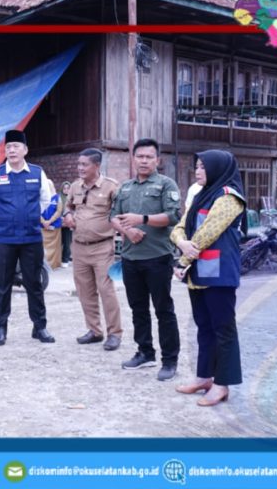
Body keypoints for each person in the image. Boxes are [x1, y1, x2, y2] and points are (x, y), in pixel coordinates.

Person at [171, 150, 246, 406]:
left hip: (219, 273)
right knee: (204, 326)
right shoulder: (200, 195)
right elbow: (179, 227)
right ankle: (204, 377)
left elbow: (208, 232)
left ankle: (222, 384)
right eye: (197, 166)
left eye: (203, 166)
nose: (198, 171)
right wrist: (181, 242)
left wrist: (183, 260)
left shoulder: (229, 197)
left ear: (218, 169)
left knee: (223, 329)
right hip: (198, 272)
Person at [110, 138, 181, 381]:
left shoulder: (165, 184)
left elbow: (173, 216)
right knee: (138, 309)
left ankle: (169, 360)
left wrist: (142, 219)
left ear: (157, 160)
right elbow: (113, 216)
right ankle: (145, 353)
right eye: (139, 156)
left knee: (163, 310)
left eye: (149, 157)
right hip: (130, 257)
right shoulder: (125, 187)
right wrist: (127, 231)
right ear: (133, 158)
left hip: (158, 257)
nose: (144, 161)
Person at [0, 129, 55, 346]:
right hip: (4, 239)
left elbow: (46, 200)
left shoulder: (37, 172)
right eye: (8, 147)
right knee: (2, 284)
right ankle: (0, 328)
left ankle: (39, 326)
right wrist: (6, 219)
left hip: (31, 238)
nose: (11, 150)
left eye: (16, 146)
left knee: (34, 284)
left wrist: (30, 217)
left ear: (25, 150)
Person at [62, 148, 123, 351]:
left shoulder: (111, 187)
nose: (80, 168)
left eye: (84, 164)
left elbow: (121, 212)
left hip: (102, 247)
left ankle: (114, 333)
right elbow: (68, 207)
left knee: (106, 290)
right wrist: (67, 215)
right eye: (79, 164)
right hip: (79, 247)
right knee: (85, 291)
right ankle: (95, 331)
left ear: (96, 166)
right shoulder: (75, 186)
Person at [41, 179, 63, 269]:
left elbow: (59, 211)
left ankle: (54, 264)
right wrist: (43, 221)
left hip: (54, 226)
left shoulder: (57, 197)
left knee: (55, 247)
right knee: (43, 246)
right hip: (42, 226)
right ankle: (44, 264)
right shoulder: (39, 197)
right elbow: (36, 210)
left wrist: (50, 221)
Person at [59, 181, 73, 268]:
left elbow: (74, 210)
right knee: (59, 242)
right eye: (64, 188)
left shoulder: (72, 198)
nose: (66, 190)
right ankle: (58, 259)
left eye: (68, 188)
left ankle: (65, 260)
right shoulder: (58, 198)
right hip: (59, 223)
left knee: (67, 243)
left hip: (68, 223)